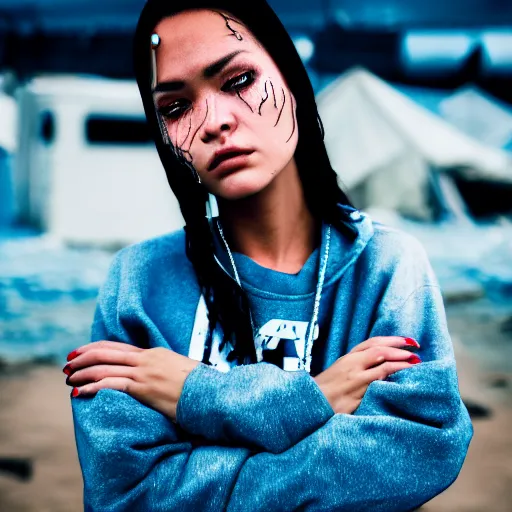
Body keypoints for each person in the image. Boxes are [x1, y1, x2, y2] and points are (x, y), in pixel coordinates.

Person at [64, 1, 473, 510]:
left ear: (293, 80)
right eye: (175, 107)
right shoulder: (139, 283)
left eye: (237, 80)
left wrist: (197, 395)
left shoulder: (387, 268)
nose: (213, 122)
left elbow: (421, 450)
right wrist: (316, 401)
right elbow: (127, 495)